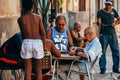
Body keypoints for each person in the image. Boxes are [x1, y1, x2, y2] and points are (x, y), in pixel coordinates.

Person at [17, 0, 47, 80]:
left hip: (27, 42)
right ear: (33, 7)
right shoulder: (38, 17)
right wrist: (44, 47)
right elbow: (43, 33)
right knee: (39, 71)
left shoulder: (20, 19)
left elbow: (23, 35)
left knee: (27, 71)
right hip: (38, 43)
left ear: (23, 7)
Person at [97, 0, 120, 74]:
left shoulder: (114, 11)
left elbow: (119, 19)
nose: (108, 6)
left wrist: (115, 23)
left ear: (112, 5)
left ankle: (116, 68)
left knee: (115, 51)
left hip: (112, 34)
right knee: (102, 51)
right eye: (106, 4)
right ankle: (102, 68)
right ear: (105, 4)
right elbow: (98, 20)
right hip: (103, 34)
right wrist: (99, 22)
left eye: (109, 5)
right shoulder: (100, 12)